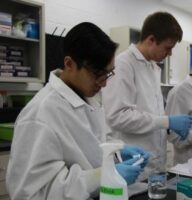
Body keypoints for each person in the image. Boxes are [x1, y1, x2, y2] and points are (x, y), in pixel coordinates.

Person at [6, 22, 149, 200]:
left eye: (109, 73)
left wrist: (116, 150)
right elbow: (32, 193)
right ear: (69, 64)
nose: (104, 83)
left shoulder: (88, 98)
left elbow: (91, 144)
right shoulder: (40, 114)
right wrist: (102, 176)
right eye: (98, 74)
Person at [102, 11, 192, 179]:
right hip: (133, 166)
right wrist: (167, 121)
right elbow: (118, 116)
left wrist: (167, 123)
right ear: (151, 40)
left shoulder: (152, 67)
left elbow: (150, 113)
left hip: (155, 166)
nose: (170, 53)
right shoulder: (124, 64)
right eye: (168, 47)